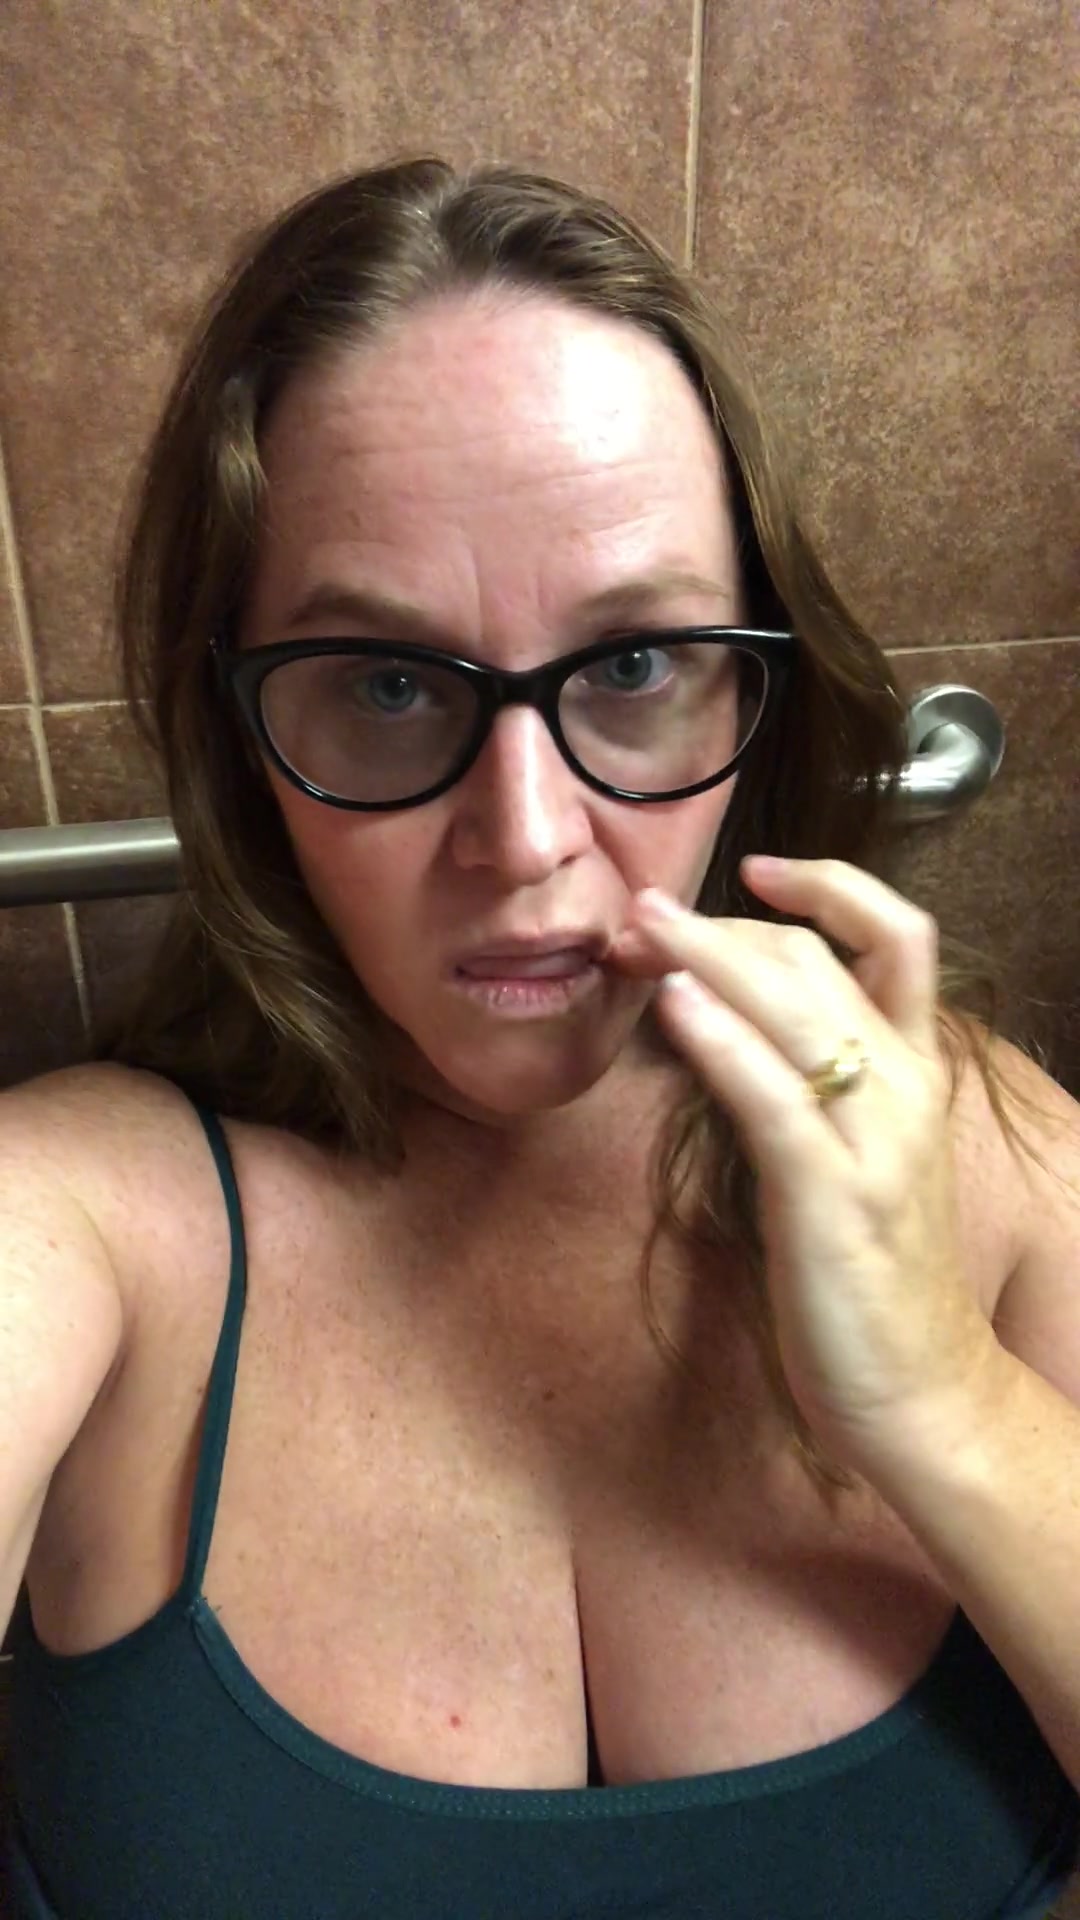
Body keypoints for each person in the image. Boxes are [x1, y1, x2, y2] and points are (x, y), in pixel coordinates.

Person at [2, 158, 1078, 1920]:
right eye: (389, 684)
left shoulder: (986, 1157)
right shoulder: (77, 1228)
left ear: (758, 688)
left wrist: (942, 1398)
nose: (524, 839)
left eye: (636, 667)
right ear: (243, 742)